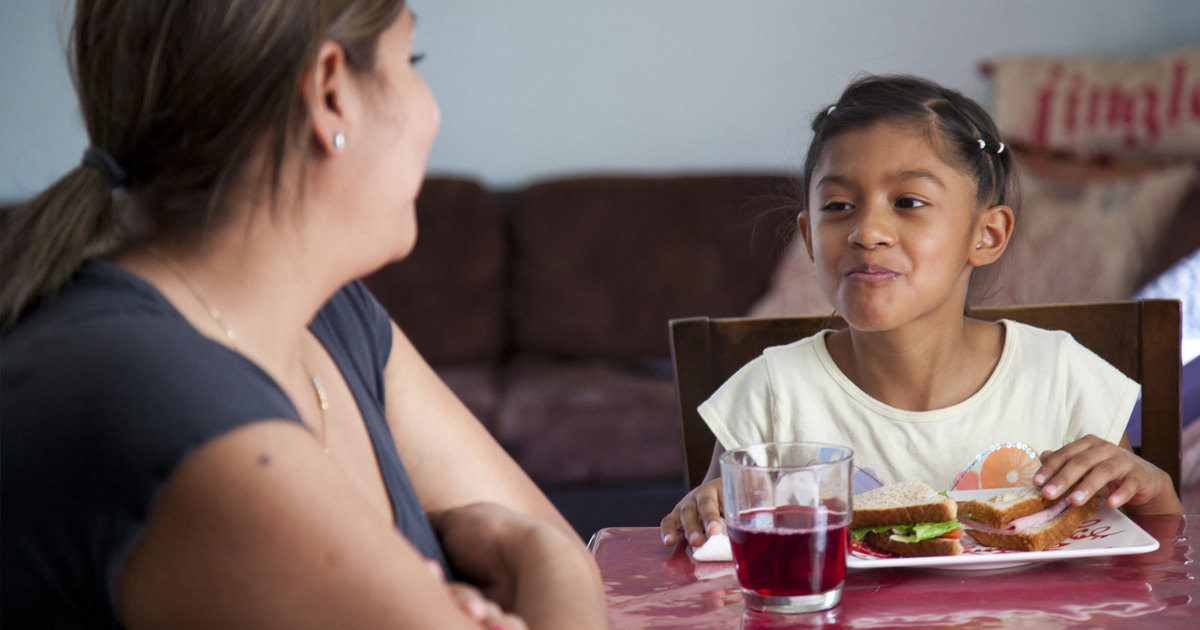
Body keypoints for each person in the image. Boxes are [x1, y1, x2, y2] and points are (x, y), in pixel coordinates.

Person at [0, 1, 607, 628]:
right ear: (329, 93)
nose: (432, 109)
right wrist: (550, 561)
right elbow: (552, 556)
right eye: (412, 60)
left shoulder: (333, 316)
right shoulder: (162, 404)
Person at [661, 74, 1183, 548]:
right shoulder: (772, 393)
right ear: (810, 239)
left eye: (908, 203)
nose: (867, 232)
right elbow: (715, 554)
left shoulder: (1063, 376)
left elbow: (1157, 555)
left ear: (987, 234)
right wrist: (702, 516)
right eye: (838, 206)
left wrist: (1152, 490)